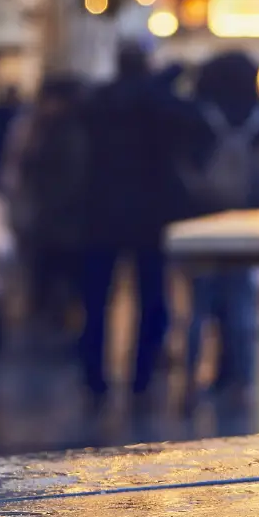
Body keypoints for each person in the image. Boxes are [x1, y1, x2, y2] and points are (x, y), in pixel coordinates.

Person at [79, 43, 198, 405]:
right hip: (150, 214)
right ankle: (141, 378)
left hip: (100, 212)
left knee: (96, 301)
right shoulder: (157, 104)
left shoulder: (97, 103)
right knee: (152, 299)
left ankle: (95, 379)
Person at [184, 52, 259, 400]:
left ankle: (191, 379)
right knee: (240, 301)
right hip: (245, 222)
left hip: (202, 218)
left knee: (198, 305)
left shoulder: (198, 115)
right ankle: (241, 379)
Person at [5, 75, 92, 334]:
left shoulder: (61, 131)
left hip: (56, 217)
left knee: (51, 273)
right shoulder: (55, 128)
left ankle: (50, 321)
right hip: (56, 217)